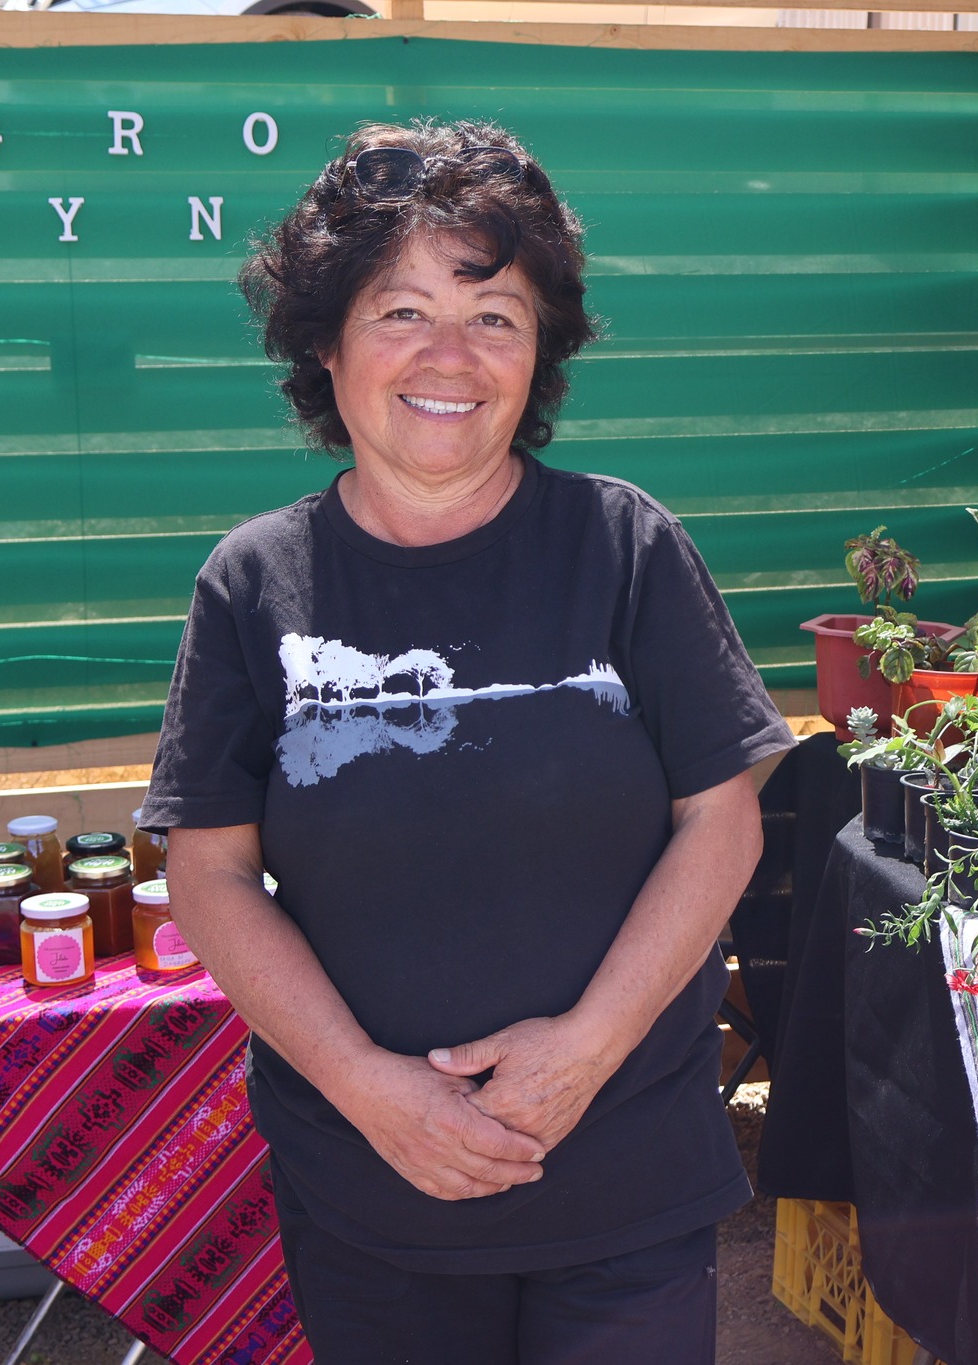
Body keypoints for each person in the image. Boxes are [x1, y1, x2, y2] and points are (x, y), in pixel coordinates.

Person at [139, 119, 795, 1365]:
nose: (451, 354)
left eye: (494, 314)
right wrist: (363, 1085)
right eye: (401, 312)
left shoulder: (625, 547)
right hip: (373, 1190)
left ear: (538, 352)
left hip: (624, 1174)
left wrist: (582, 1053)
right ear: (324, 344)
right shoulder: (251, 582)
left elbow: (721, 818)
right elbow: (211, 873)